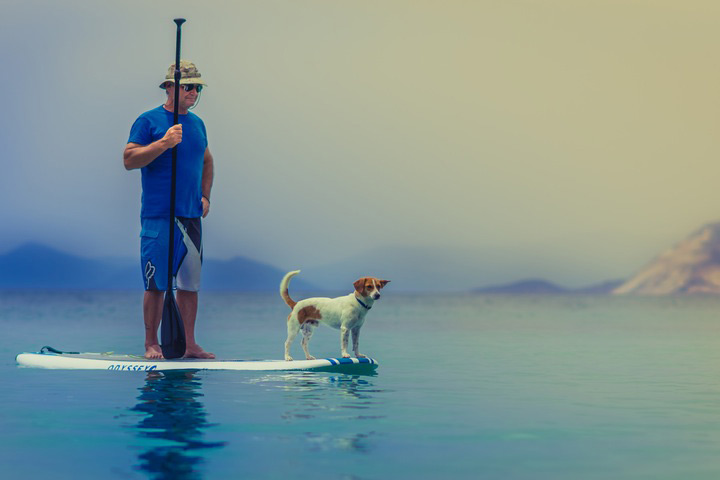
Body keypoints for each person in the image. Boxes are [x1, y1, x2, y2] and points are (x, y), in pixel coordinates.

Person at [123, 60, 215, 359]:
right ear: (170, 87)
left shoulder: (198, 124)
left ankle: (189, 344)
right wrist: (163, 143)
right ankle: (152, 343)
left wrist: (205, 196)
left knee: (190, 285)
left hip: (190, 217)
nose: (194, 92)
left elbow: (207, 160)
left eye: (198, 88)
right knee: (156, 283)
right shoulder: (148, 121)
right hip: (158, 214)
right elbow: (129, 159)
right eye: (189, 87)